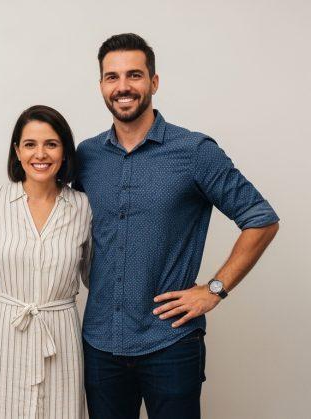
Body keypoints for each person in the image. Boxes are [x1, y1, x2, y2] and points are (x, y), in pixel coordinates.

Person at [76, 33, 280, 419]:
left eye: (134, 75)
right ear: (101, 85)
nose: (123, 87)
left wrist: (214, 289)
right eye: (112, 77)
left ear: (153, 82)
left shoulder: (194, 152)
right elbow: (58, 221)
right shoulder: (86, 156)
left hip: (169, 343)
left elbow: (261, 219)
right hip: (100, 343)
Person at [0, 105, 92, 419]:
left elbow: (94, 275)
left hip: (60, 333)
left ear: (64, 152)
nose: (41, 154)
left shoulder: (83, 205)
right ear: (17, 151)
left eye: (51, 144)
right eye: (30, 144)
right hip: (1, 333)